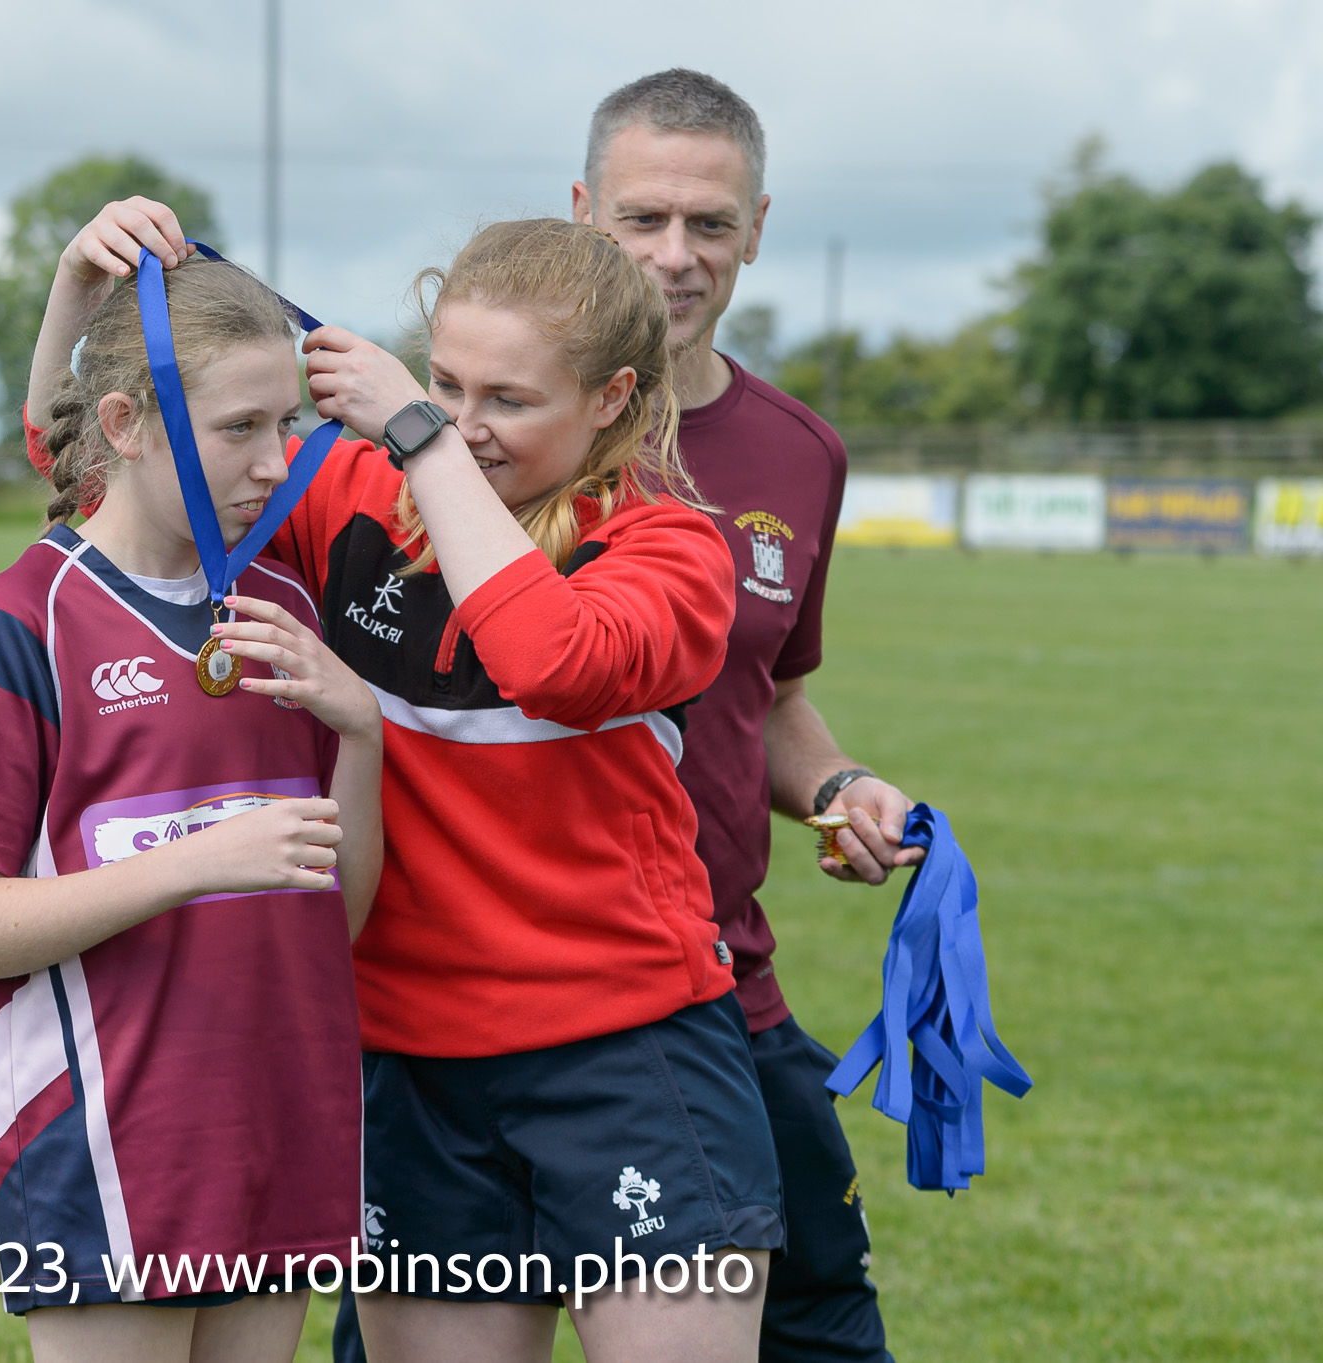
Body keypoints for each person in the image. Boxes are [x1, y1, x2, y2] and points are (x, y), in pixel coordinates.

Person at [33, 205, 786, 1362]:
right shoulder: (351, 496)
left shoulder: (667, 547)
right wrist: (72, 298)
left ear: (611, 399)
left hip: (628, 1053)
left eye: (508, 401)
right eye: (445, 383)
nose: (467, 425)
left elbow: (551, 660)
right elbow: (112, 487)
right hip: (405, 1061)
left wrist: (421, 438)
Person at [0, 210, 385, 1363]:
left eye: (287, 423)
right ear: (124, 424)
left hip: (281, 1116)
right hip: (107, 1138)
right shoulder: (23, 621)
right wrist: (198, 861)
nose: (275, 461)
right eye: (237, 428)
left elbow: (338, 917)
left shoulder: (285, 612)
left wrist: (362, 735)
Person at [570, 70, 922, 1363]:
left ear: (757, 228)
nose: (676, 254)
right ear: (581, 213)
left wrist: (838, 788)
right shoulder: (486, 433)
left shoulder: (798, 452)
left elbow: (767, 695)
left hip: (717, 981)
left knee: (822, 1326)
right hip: (490, 1002)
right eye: (643, 217)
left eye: (709, 222)